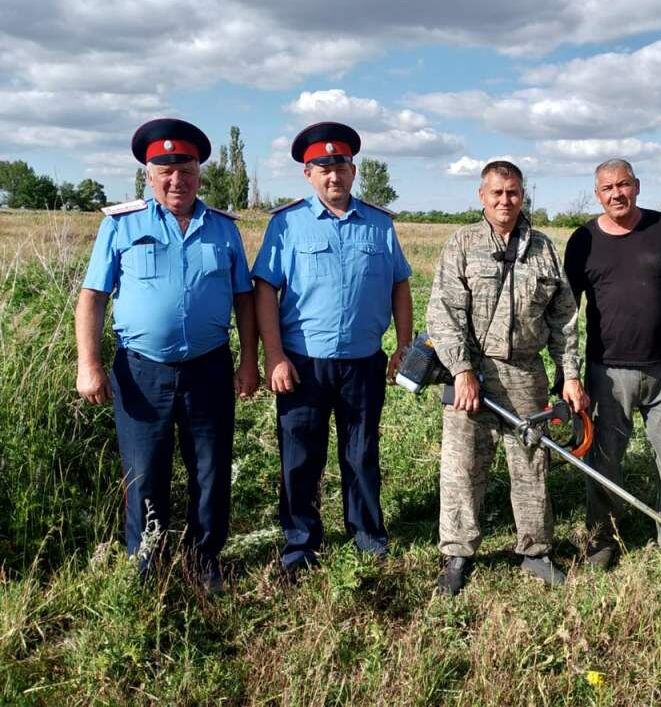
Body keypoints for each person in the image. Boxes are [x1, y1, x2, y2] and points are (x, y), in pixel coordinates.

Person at [75, 118, 258, 590]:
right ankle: (146, 561)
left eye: (187, 169)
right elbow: (93, 296)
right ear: (149, 175)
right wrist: (89, 364)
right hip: (141, 372)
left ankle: (205, 561)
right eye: (166, 170)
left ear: (199, 173)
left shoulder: (221, 229)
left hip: (209, 368)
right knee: (144, 471)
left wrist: (249, 361)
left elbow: (244, 299)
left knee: (211, 469)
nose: (177, 180)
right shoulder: (121, 225)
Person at [252, 121, 413, 574]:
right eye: (322, 168)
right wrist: (274, 355)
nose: (333, 176)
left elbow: (400, 283)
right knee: (300, 456)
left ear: (353, 169)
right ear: (308, 174)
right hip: (303, 362)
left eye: (340, 166)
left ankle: (367, 535)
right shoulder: (287, 225)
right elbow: (266, 290)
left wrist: (404, 344)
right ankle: (300, 544)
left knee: (361, 452)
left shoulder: (379, 225)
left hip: (363, 361)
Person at [426, 160, 587, 596]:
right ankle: (459, 553)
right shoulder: (461, 244)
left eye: (513, 192)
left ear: (523, 196)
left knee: (532, 462)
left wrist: (569, 375)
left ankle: (535, 552)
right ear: (481, 196)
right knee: (462, 467)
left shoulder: (544, 249)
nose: (505, 200)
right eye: (496, 192)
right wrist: (461, 370)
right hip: (472, 373)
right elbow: (443, 314)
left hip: (527, 374)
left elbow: (565, 319)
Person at [563, 159, 661, 570]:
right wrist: (567, 373)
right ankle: (602, 541)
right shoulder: (583, 240)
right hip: (606, 373)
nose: (616, 194)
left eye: (623, 185)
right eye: (607, 188)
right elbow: (567, 312)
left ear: (637, 186)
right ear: (597, 194)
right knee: (604, 462)